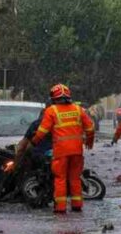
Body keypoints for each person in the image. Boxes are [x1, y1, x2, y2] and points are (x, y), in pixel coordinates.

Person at [31, 84, 94, 213]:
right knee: (75, 177)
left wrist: (34, 142)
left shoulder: (51, 111)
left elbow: (42, 131)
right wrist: (89, 141)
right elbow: (90, 127)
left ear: (53, 98)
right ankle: (77, 205)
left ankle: (60, 207)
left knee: (60, 178)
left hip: (61, 152)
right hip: (77, 151)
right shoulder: (78, 109)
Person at [14, 104, 52, 179]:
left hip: (38, 161)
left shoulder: (37, 124)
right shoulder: (70, 125)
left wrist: (16, 164)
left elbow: (22, 146)